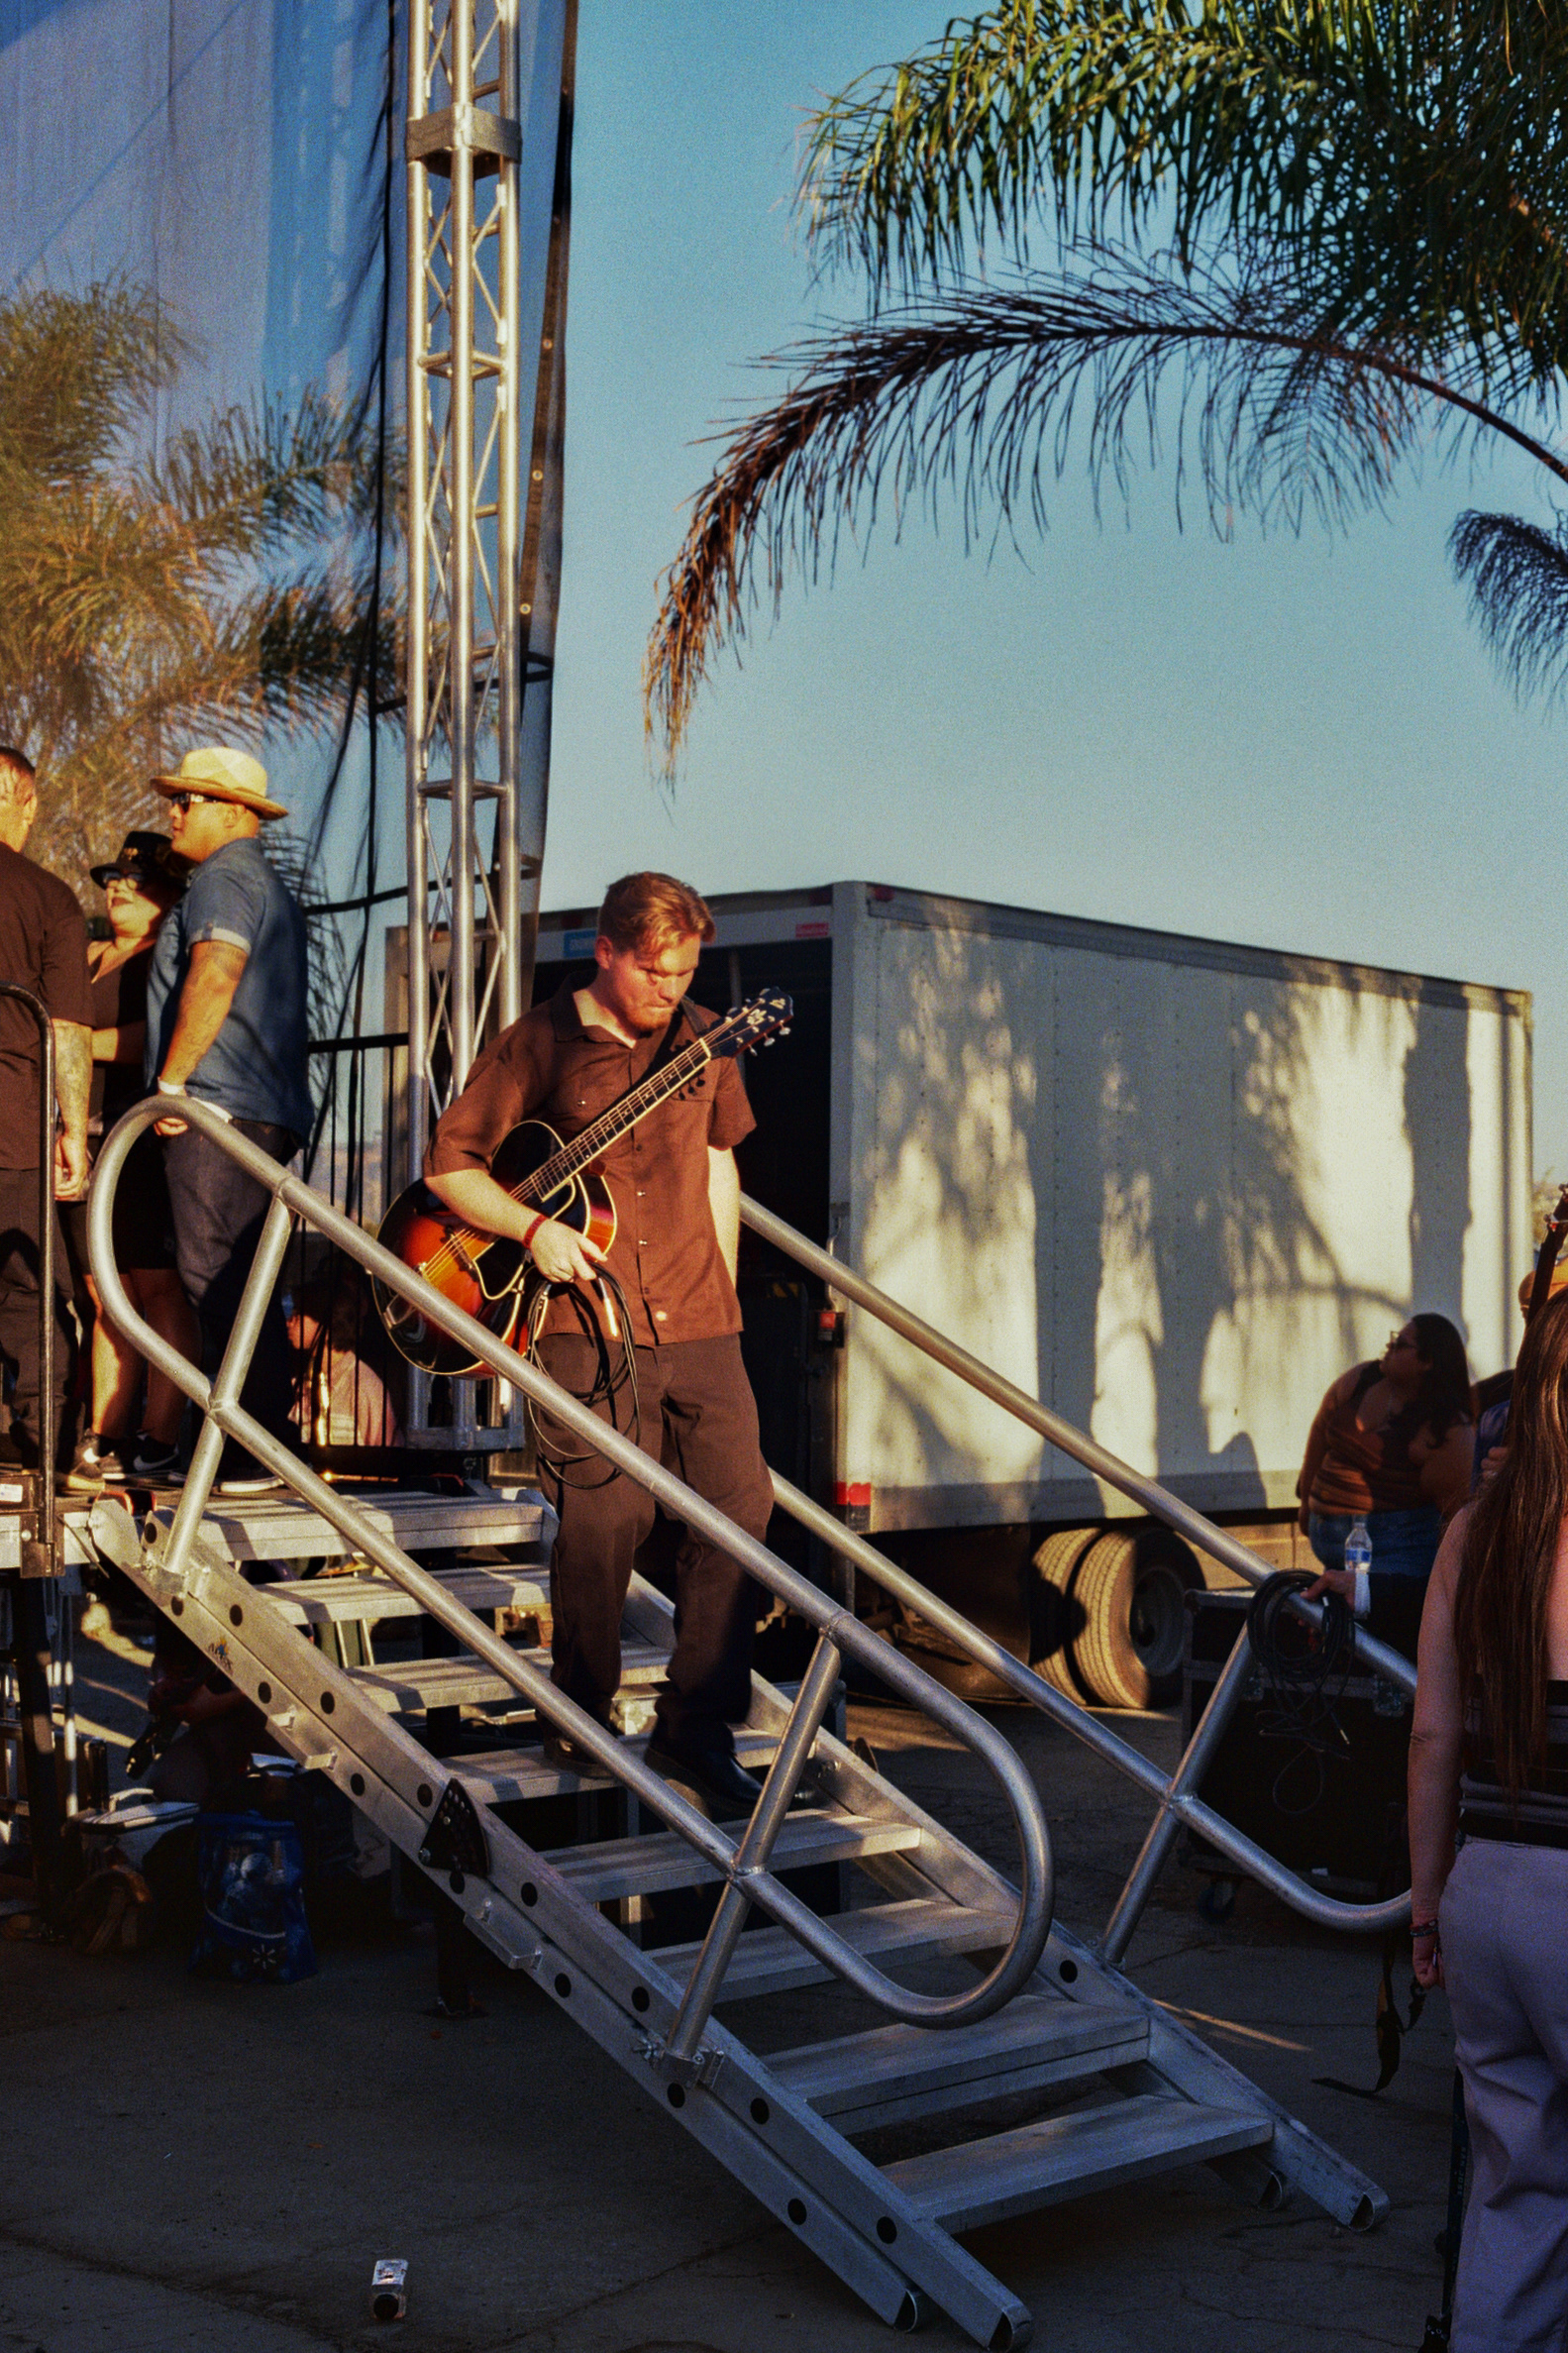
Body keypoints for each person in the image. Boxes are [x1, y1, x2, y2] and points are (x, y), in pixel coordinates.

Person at [423, 871, 773, 1818]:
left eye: (685, 972)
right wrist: (529, 1228)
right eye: (655, 971)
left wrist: (723, 1298)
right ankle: (577, 1708)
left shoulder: (707, 1038)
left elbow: (718, 1165)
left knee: (741, 1506)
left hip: (699, 1315)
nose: (671, 989)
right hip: (583, 1316)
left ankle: (697, 1726)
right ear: (606, 952)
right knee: (608, 1511)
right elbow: (449, 1167)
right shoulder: (538, 1040)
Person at [1409, 1290, 1568, 2350]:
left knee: (1513, 2191)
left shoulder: (1470, 1534)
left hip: (1485, 1890)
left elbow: (1429, 1735)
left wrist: (1426, 1907)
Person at [143, 747, 311, 1494]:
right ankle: (250, 1443)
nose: (174, 813)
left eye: (189, 800)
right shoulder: (251, 879)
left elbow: (216, 970)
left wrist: (172, 1084)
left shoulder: (225, 876)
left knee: (216, 1275)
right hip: (252, 1109)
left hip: (219, 1107)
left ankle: (253, 1446)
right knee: (236, 1275)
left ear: (235, 812)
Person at [63, 831, 200, 1489]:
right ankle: (106, 1432)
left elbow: (154, 1041)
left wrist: (73, 1042)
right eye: (112, 880)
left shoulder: (164, 960)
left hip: (138, 1137)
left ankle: (162, 1435)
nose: (117, 889)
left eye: (134, 881)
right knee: (101, 1290)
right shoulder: (87, 954)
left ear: (168, 896)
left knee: (155, 1286)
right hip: (81, 1137)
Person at [0, 747, 91, 1469]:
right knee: (28, 1290)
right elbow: (68, 1028)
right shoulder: (49, 897)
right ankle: (42, 1448)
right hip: (16, 1125)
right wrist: (74, 1132)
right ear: (24, 802)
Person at [1297, 1314, 1474, 1591]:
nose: (1389, 1347)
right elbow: (1320, 1431)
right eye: (1393, 1339)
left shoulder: (1446, 1425)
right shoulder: (1362, 1379)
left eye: (1400, 1344)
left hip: (1394, 1552)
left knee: (1365, 1614)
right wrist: (1306, 1502)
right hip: (1333, 1543)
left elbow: (1455, 1508)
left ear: (1427, 1362)